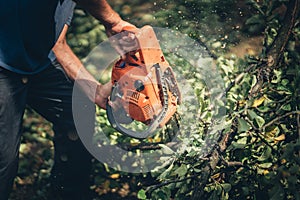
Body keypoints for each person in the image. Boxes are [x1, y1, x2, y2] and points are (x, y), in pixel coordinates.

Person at [0, 0, 136, 199]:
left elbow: (58, 45)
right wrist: (112, 21)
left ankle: (68, 193)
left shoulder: (64, 4)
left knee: (79, 113)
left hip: (40, 63)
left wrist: (94, 90)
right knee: (4, 160)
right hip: (3, 65)